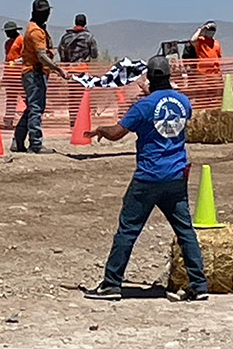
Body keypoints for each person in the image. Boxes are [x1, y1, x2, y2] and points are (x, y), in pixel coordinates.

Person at [83, 55, 208, 302]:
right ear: (169, 76)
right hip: (176, 175)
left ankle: (111, 284)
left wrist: (100, 129)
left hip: (149, 176)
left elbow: (118, 133)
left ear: (149, 77)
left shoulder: (143, 106)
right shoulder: (184, 102)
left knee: (128, 230)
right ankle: (199, 284)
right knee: (185, 231)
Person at [12, 0, 68, 154]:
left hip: (32, 72)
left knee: (32, 107)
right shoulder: (36, 31)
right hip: (35, 72)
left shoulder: (35, 28)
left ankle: (18, 140)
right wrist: (58, 69)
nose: (47, 15)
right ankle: (35, 144)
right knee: (36, 108)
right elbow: (41, 56)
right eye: (45, 12)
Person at [59, 14, 100, 129]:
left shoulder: (66, 37)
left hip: (70, 71)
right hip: (83, 70)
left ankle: (73, 121)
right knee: (83, 97)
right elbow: (94, 54)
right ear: (85, 23)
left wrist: (67, 63)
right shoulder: (89, 37)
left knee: (72, 97)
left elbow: (61, 53)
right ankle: (81, 122)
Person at [189, 21, 223, 109]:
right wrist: (201, 29)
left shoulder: (216, 44)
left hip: (215, 74)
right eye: (209, 29)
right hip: (202, 74)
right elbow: (192, 40)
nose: (211, 31)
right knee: (202, 95)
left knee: (215, 96)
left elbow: (219, 58)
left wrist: (220, 74)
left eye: (213, 29)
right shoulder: (200, 41)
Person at [1, 21, 25, 129]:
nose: (7, 34)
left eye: (8, 32)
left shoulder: (21, 40)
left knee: (26, 97)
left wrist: (16, 62)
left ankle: (30, 118)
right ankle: (9, 120)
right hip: (10, 75)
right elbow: (7, 59)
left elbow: (26, 56)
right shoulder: (7, 43)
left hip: (20, 74)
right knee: (10, 98)